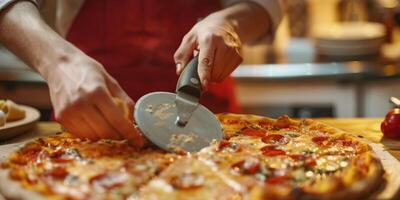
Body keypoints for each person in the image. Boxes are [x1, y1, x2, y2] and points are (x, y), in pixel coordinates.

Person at [0, 0, 282, 147]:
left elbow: (264, 4)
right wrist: (58, 62)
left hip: (213, 121)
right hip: (88, 118)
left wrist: (229, 22)